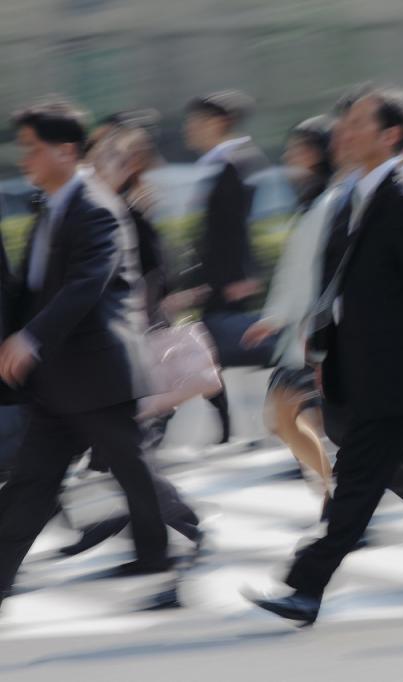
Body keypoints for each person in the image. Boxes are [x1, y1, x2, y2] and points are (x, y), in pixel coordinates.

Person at [247, 86, 403, 625]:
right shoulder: (354, 195)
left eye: (359, 122)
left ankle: (305, 586)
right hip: (364, 364)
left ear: (389, 136)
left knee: (357, 482)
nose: (345, 130)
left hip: (397, 371)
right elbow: (335, 287)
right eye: (346, 121)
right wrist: (319, 349)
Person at [0, 100, 171, 611]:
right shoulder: (50, 208)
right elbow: (32, 289)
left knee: (136, 474)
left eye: (32, 148)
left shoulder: (95, 207)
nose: (23, 158)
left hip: (98, 372)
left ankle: (169, 560)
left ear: (66, 150)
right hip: (58, 378)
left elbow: (85, 285)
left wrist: (29, 338)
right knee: (33, 481)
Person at [242, 117, 336, 519]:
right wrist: (274, 316)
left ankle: (336, 496)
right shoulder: (313, 199)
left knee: (285, 415)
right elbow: (296, 268)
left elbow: (312, 272)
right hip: (301, 328)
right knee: (291, 419)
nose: (288, 156)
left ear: (315, 153)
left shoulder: (330, 200)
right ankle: (335, 495)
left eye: (296, 148)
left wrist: (286, 318)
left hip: (312, 331)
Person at [175, 90, 271, 444]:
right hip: (219, 277)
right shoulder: (219, 162)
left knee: (215, 349)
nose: (190, 128)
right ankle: (230, 426)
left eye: (196, 122)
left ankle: (244, 423)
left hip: (228, 279)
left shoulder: (234, 162)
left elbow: (237, 228)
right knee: (209, 351)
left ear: (218, 123)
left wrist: (241, 276)